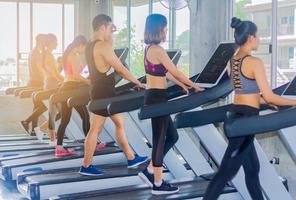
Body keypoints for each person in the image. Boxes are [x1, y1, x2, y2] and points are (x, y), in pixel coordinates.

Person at [203, 17, 296, 200]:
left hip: (238, 114)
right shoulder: (254, 62)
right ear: (250, 37)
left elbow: (247, 93)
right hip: (245, 121)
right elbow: (269, 95)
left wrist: (267, 102)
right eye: (258, 36)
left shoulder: (233, 61)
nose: (259, 40)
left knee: (252, 169)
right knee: (225, 173)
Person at [138, 14, 203, 195]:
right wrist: (194, 85)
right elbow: (176, 71)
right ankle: (158, 184)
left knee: (172, 137)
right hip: (157, 98)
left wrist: (182, 85)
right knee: (159, 140)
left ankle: (150, 170)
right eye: (165, 28)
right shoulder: (158, 50)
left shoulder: (149, 49)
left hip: (156, 96)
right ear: (158, 29)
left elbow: (165, 73)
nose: (166, 32)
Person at [79, 14, 148, 176]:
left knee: (119, 123)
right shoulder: (103, 46)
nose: (111, 31)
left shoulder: (90, 45)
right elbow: (121, 70)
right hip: (104, 93)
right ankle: (86, 165)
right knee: (95, 129)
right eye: (110, 28)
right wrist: (139, 83)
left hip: (101, 89)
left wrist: (111, 37)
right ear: (103, 27)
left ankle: (131, 158)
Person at [51, 35, 92, 157]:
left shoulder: (67, 54)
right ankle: (90, 143)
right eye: (84, 48)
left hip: (66, 87)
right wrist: (90, 82)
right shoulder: (74, 56)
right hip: (72, 88)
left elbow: (69, 75)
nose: (84, 50)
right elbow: (77, 76)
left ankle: (59, 148)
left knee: (66, 119)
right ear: (80, 45)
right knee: (84, 115)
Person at [21, 34, 63, 136]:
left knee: (38, 107)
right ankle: (31, 125)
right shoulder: (38, 54)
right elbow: (43, 69)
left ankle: (34, 130)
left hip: (40, 81)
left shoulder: (36, 52)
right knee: (44, 108)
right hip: (38, 82)